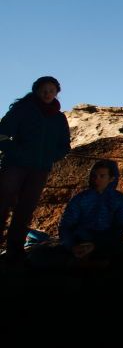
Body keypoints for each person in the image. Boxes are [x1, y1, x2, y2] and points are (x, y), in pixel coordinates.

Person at [0, 76, 71, 263]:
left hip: (39, 170)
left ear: (56, 92)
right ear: (37, 91)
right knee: (3, 203)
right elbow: (2, 134)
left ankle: (14, 252)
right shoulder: (23, 110)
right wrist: (16, 153)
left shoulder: (58, 118)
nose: (47, 93)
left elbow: (64, 145)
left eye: (51, 90)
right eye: (44, 90)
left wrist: (50, 157)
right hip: (15, 166)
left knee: (25, 209)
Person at [59, 159, 123, 266]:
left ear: (111, 179)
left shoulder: (121, 201)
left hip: (107, 243)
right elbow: (66, 225)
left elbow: (121, 230)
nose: (96, 180)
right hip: (80, 240)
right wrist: (71, 245)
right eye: (94, 175)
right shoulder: (80, 199)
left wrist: (96, 245)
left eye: (102, 176)